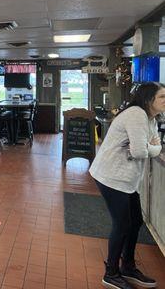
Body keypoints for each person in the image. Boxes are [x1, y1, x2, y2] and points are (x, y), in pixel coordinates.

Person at [89, 82, 165, 289]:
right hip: (111, 175)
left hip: (127, 178)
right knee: (122, 224)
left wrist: (148, 147)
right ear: (149, 99)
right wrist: (150, 147)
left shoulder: (151, 118)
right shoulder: (136, 115)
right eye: (162, 97)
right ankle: (111, 273)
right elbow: (142, 151)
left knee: (135, 221)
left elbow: (151, 146)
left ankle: (128, 267)